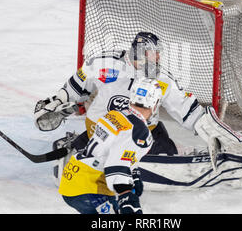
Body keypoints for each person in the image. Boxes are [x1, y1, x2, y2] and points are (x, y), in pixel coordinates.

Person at [34, 32, 203, 156]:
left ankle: (171, 151)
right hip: (102, 131)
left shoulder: (162, 80)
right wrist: (58, 101)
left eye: (159, 53)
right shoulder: (105, 65)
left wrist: (207, 128)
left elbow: (187, 110)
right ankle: (79, 142)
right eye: (154, 53)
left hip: (147, 134)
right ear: (140, 53)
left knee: (168, 156)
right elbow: (76, 86)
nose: (158, 58)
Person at [59, 78, 162, 214]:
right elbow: (115, 165)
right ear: (155, 104)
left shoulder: (115, 115)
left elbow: (116, 150)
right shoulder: (140, 132)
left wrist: (133, 173)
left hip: (72, 178)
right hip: (89, 188)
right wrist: (127, 198)